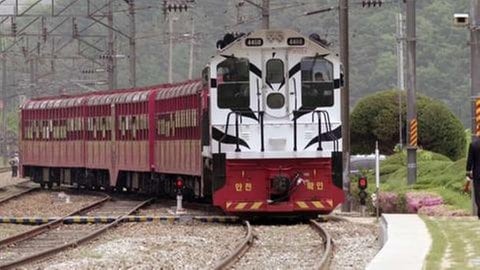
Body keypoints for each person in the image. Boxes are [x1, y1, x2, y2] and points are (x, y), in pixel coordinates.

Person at [466, 136, 480, 218]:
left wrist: (468, 172)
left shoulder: (473, 144)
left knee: (478, 193)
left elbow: (470, 160)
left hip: (477, 173)